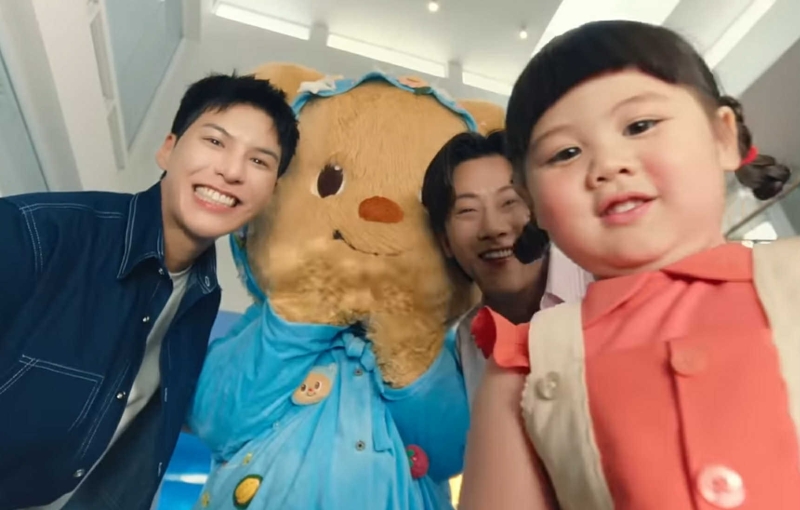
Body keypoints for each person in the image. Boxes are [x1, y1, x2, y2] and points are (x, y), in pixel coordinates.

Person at [460, 20, 796, 510]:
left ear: (723, 137)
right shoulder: (525, 366)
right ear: (533, 203)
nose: (607, 165)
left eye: (640, 126)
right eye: (565, 153)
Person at [0, 72, 299, 510]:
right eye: (215, 141)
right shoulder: (34, 233)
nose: (232, 171)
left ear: (271, 194)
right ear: (168, 149)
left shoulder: (203, 298)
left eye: (259, 161)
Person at [420, 130, 592, 406]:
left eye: (510, 201)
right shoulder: (467, 341)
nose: (493, 228)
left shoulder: (600, 284)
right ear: (445, 242)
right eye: (467, 210)